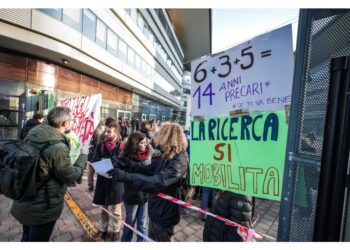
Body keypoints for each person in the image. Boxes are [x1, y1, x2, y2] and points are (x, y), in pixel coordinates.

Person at [10, 106, 88, 241]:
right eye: (72, 120)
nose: (73, 123)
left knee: (26, 236)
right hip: (42, 206)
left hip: (25, 196)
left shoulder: (35, 131)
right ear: (64, 123)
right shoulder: (58, 147)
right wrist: (83, 156)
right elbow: (70, 176)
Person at [108, 122, 189, 242]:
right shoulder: (166, 154)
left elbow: (157, 182)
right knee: (151, 237)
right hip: (156, 207)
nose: (159, 143)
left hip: (166, 212)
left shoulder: (180, 160)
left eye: (163, 139)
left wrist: (126, 176)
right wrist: (129, 163)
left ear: (169, 140)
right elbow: (149, 169)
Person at [92, 118, 124, 241]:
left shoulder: (122, 146)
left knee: (116, 210)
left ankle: (116, 230)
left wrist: (105, 162)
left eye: (109, 131)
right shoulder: (101, 145)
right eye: (105, 131)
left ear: (116, 132)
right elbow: (95, 161)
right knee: (103, 209)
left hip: (116, 183)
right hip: (102, 181)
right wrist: (108, 163)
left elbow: (121, 163)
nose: (106, 134)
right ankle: (102, 229)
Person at [120, 131, 151, 242]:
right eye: (142, 143)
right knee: (130, 223)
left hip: (145, 197)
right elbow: (121, 176)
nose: (146, 145)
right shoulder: (125, 158)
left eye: (146, 142)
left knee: (143, 225)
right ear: (135, 144)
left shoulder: (148, 155)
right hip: (132, 197)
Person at [87, 121, 106, 192]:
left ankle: (90, 185)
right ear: (102, 126)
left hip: (91, 154)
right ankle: (96, 186)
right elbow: (99, 145)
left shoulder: (94, 131)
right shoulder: (100, 133)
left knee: (91, 172)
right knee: (98, 171)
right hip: (96, 155)